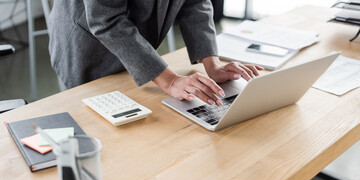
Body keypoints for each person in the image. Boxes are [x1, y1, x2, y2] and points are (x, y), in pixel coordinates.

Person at [49, 0, 263, 106]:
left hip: (135, 46)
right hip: (90, 48)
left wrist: (212, 64)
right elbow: (106, 20)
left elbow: (195, 2)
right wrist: (169, 81)